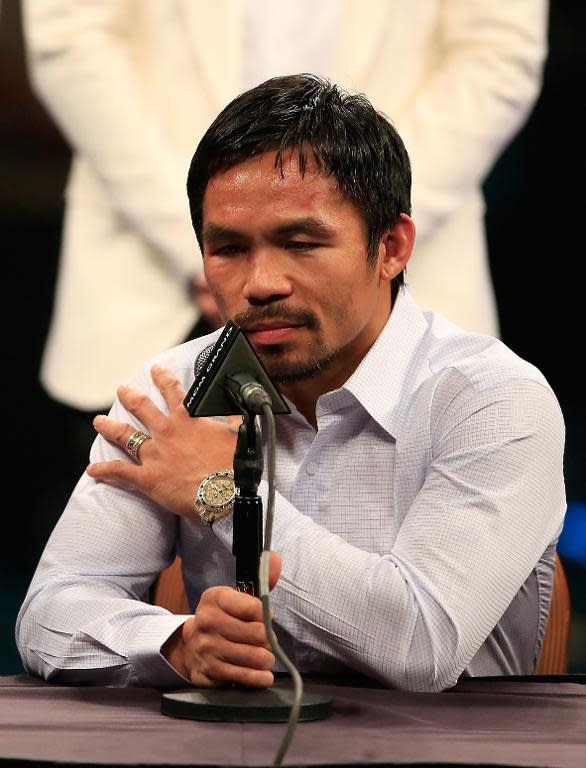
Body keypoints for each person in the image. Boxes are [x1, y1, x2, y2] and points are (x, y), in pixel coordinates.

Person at [16, 75, 565, 693]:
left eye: (300, 243)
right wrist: (174, 642)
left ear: (391, 246)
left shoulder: (492, 399)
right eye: (227, 248)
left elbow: (423, 644)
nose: (261, 283)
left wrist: (222, 494)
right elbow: (50, 612)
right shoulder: (170, 394)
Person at [21, 0, 548, 416]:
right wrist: (212, 243)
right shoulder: (219, 256)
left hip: (400, 287)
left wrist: (360, 226)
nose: (265, 278)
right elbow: (70, 41)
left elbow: (498, 55)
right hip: (149, 286)